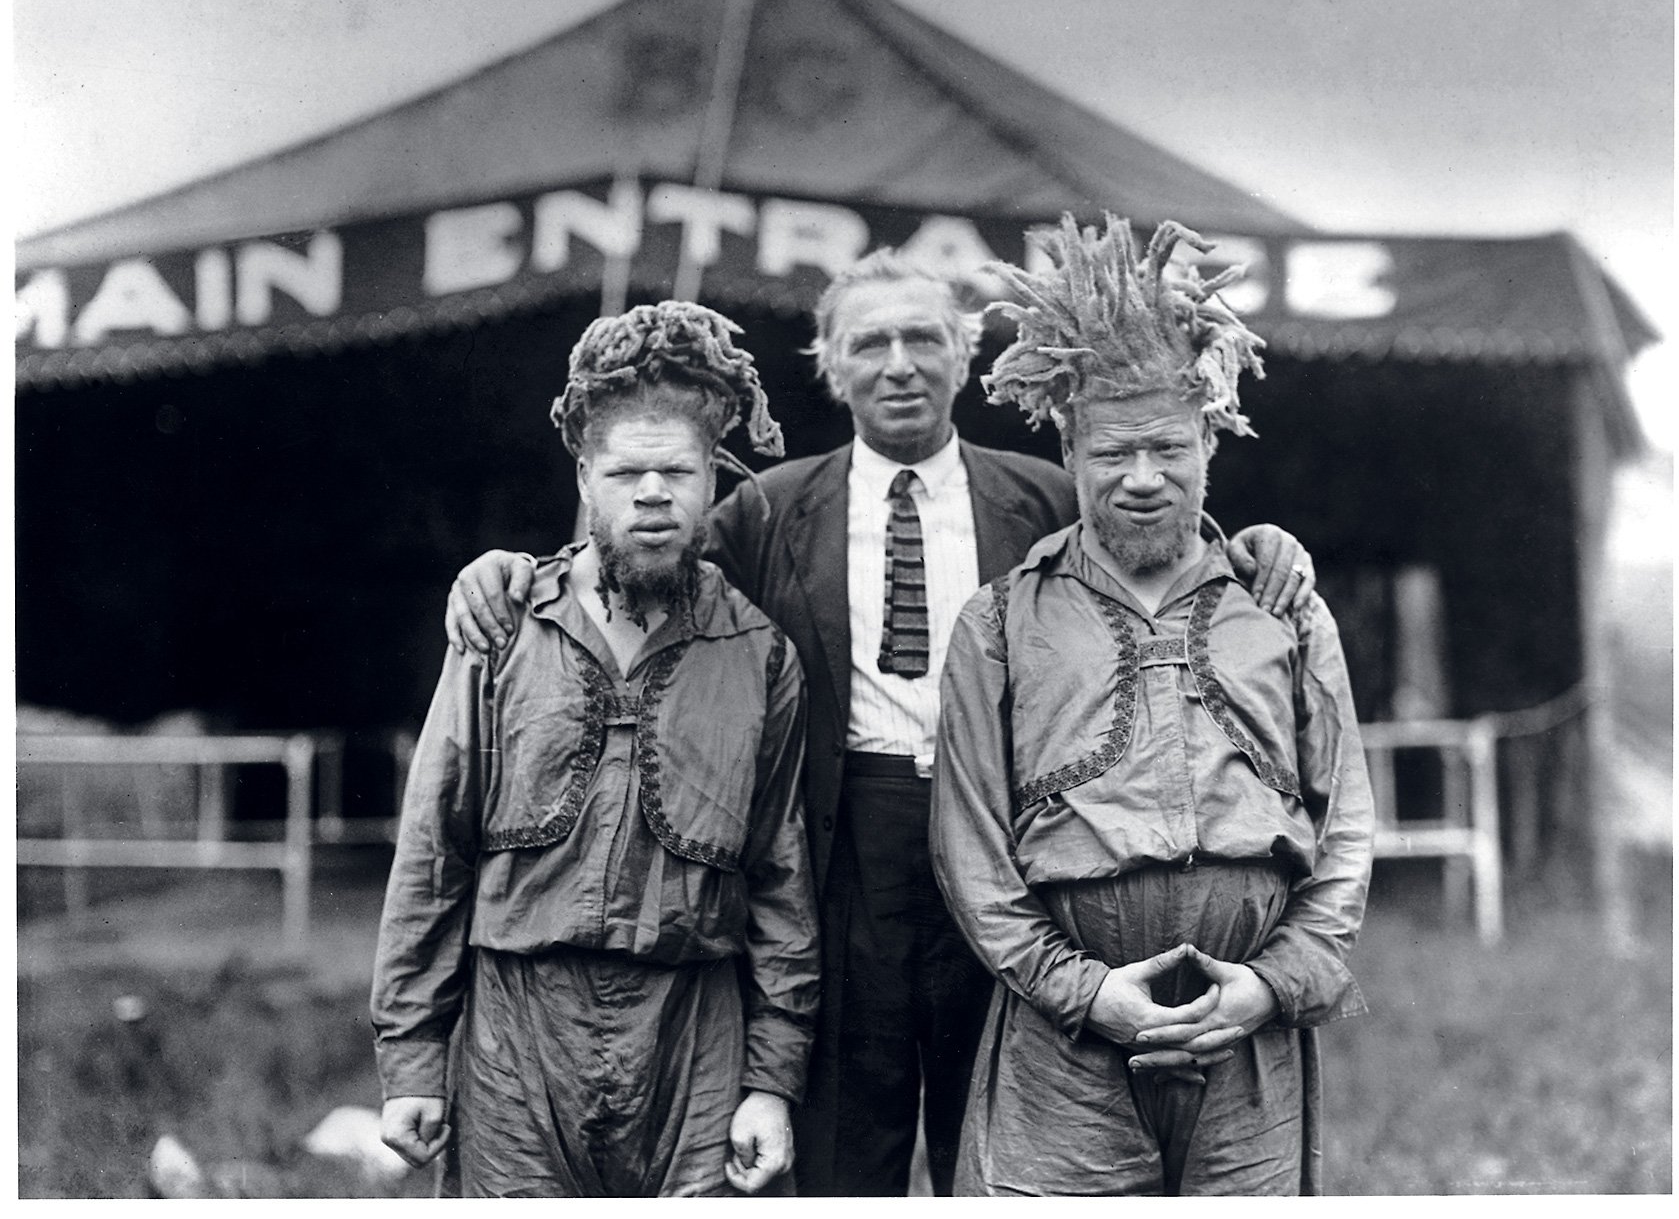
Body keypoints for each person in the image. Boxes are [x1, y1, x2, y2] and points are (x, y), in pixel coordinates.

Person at [442, 250, 1318, 1196]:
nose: (898, 363)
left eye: (923, 338)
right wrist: (515, 569)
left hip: (1009, 842)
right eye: (870, 342)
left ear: (964, 351)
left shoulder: (1040, 496)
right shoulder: (769, 509)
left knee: (990, 1117)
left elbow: (1154, 536)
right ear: (830, 364)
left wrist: (1262, 545)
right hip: (843, 844)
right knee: (842, 1139)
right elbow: (652, 551)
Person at [930, 214, 1374, 1196]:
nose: (1140, 479)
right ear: (1068, 446)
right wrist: (1085, 991)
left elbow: (1343, 830)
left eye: (1167, 448)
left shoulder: (1283, 607)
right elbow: (969, 854)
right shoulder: (997, 624)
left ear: (1211, 436)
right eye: (1110, 453)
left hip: (1247, 1052)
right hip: (1062, 1052)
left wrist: (1272, 982)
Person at [370, 301, 819, 1198]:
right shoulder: (499, 631)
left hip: (693, 1037)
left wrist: (771, 1078)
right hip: (516, 1038)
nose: (652, 494)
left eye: (676, 472)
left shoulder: (760, 654)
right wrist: (413, 1055)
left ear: (712, 480)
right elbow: (433, 851)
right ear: (584, 474)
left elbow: (781, 879)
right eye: (626, 472)